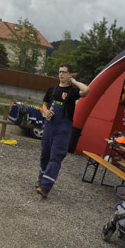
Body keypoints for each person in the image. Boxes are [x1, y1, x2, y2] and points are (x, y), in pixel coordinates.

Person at [36, 63, 89, 198]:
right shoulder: (52, 89)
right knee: (45, 155)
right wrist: (46, 112)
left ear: (70, 75)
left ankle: (45, 187)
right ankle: (41, 180)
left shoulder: (72, 92)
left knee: (55, 156)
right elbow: (45, 103)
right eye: (59, 71)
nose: (61, 74)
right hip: (49, 126)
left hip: (63, 128)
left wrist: (75, 82)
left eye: (64, 72)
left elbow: (87, 90)